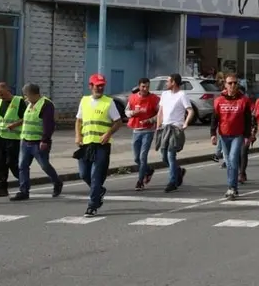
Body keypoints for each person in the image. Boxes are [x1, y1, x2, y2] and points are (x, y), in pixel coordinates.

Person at [75, 74, 125, 217]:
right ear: (90, 86)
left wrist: (108, 133)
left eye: (102, 85)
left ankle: (92, 205)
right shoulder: (84, 101)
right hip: (86, 144)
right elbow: (78, 121)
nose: (100, 88)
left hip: (102, 145)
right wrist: (78, 135)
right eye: (97, 85)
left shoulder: (108, 102)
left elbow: (118, 122)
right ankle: (99, 191)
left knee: (96, 175)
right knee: (84, 174)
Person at [11, 83, 63, 201]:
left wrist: (45, 140)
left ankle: (57, 182)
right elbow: (27, 120)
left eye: (26, 95)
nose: (25, 98)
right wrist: (15, 125)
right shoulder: (30, 104)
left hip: (38, 142)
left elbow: (48, 124)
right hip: (25, 140)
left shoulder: (46, 105)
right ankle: (24, 191)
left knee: (44, 165)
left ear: (33, 94)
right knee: (22, 166)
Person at [211, 73, 253, 200]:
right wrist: (213, 134)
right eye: (230, 83)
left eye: (235, 83)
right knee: (229, 162)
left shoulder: (244, 100)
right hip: (224, 135)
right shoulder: (218, 100)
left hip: (238, 135)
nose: (233, 85)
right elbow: (215, 118)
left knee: (233, 159)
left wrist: (247, 135)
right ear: (225, 85)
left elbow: (248, 119)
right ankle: (232, 186)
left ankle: (232, 187)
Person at [0, 82, 26, 198]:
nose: (1, 96)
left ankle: (24, 183)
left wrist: (14, 125)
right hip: (0, 137)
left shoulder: (19, 101)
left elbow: (26, 118)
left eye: (2, 94)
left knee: (13, 163)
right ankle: (1, 188)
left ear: (8, 91)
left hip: (14, 138)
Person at [156, 73, 194, 193]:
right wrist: (158, 125)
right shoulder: (165, 94)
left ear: (174, 82)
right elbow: (160, 112)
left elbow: (190, 111)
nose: (166, 83)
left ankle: (172, 182)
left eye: (168, 81)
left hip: (175, 128)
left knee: (170, 155)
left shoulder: (182, 95)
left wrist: (186, 123)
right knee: (163, 155)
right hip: (164, 128)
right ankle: (178, 171)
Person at [126, 78, 159, 191]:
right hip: (136, 130)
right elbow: (127, 111)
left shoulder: (154, 99)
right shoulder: (133, 97)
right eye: (143, 87)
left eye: (147, 87)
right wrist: (132, 113)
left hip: (148, 131)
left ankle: (140, 181)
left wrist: (150, 120)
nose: (145, 89)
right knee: (136, 158)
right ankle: (148, 170)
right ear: (139, 86)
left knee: (142, 157)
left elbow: (160, 114)